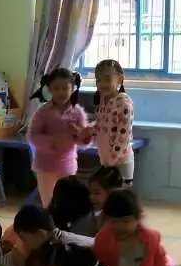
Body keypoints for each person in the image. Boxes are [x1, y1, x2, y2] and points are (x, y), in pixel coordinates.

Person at [28, 67, 90, 207]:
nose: (61, 92)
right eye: (56, 88)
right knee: (48, 204)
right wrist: (52, 142)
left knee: (66, 204)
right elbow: (33, 136)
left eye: (65, 88)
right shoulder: (43, 111)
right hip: (45, 166)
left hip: (67, 166)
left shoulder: (78, 112)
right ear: (50, 90)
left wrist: (82, 134)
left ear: (72, 88)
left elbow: (84, 140)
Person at [93, 59, 136, 185]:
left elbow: (123, 136)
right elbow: (100, 125)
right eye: (98, 80)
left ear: (120, 80)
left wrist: (112, 161)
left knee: (118, 196)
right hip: (107, 160)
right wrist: (85, 131)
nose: (102, 84)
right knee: (107, 195)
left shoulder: (124, 103)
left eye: (107, 79)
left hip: (121, 162)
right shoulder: (102, 101)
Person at [73, 166, 123, 238]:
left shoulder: (117, 219)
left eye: (96, 193)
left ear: (111, 193)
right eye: (90, 193)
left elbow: (100, 241)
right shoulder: (99, 214)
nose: (91, 197)